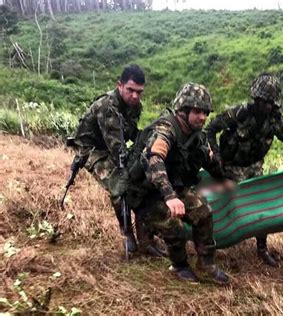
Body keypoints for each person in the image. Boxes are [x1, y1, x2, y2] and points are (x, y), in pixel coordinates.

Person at [126, 82, 232, 284]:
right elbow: (154, 159)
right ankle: (179, 265)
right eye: (198, 111)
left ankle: (206, 264)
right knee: (173, 224)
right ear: (183, 110)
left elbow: (212, 163)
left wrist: (227, 179)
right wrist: (170, 196)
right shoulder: (166, 129)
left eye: (206, 113)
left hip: (174, 189)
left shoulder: (197, 136)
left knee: (203, 211)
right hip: (146, 195)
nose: (203, 117)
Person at [206, 73, 283, 267]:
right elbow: (210, 129)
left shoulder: (274, 119)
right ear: (256, 98)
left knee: (261, 205)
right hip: (231, 166)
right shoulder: (238, 112)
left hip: (254, 166)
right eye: (262, 101)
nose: (266, 106)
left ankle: (262, 248)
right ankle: (212, 241)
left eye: (270, 102)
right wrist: (216, 157)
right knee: (224, 203)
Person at [72, 64, 164, 257]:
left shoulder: (135, 106)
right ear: (119, 86)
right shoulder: (107, 106)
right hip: (92, 148)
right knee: (118, 183)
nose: (135, 96)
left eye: (139, 92)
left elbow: (129, 134)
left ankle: (146, 238)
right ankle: (127, 233)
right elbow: (117, 149)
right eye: (130, 90)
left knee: (142, 178)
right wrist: (129, 168)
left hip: (114, 144)